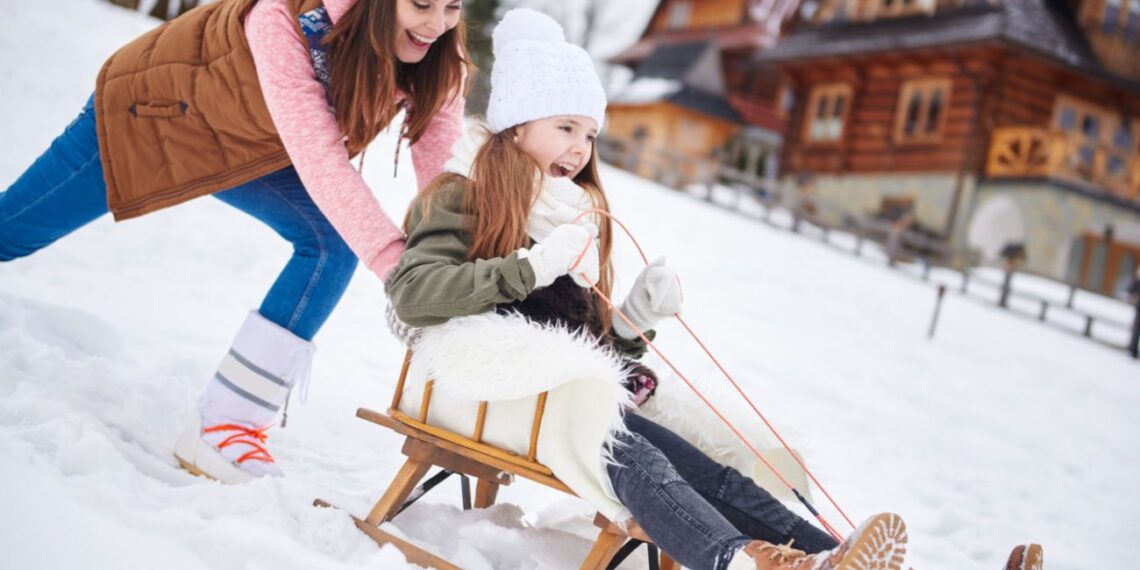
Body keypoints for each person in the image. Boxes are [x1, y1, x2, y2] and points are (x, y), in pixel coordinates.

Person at [385, 9, 910, 570]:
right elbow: (413, 294)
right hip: (488, 397)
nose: (580, 148)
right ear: (518, 123)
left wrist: (633, 321)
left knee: (705, 470)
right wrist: (529, 269)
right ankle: (735, 560)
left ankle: (830, 555)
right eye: (565, 127)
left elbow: (585, 357)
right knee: (635, 456)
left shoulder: (571, 215)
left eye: (589, 134)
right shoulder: (461, 194)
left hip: (561, 405)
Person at [0, 0, 470, 483]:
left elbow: (443, 183)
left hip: (249, 146)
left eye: (452, 6)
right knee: (13, 231)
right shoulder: (281, 18)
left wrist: (460, 265)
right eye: (420, 4)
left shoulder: (438, 61)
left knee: (329, 245)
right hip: (152, 116)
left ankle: (224, 426)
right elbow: (321, 160)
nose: (436, 24)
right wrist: (401, 270)